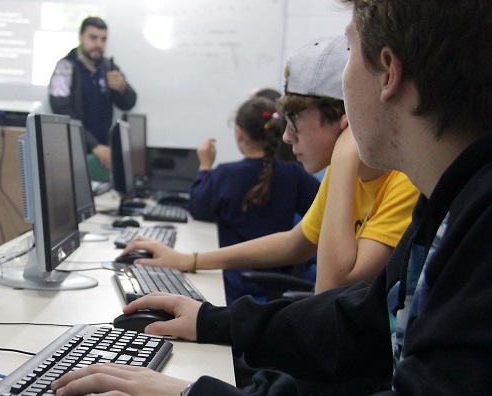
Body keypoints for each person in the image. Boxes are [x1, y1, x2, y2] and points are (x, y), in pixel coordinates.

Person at [52, 0, 492, 396]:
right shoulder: (448, 202)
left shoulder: (479, 227)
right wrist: (213, 321)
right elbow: (357, 322)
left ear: (389, 72)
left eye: (350, 54)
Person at [123, 35, 419, 294]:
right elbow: (294, 244)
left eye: (295, 122)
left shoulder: (405, 182)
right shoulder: (346, 173)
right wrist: (191, 260)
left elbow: (331, 291)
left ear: (344, 120)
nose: (287, 137)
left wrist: (342, 160)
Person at [189, 96, 320, 304]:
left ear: (240, 133)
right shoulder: (294, 175)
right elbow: (324, 211)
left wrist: (205, 166)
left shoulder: (225, 174)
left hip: (231, 284)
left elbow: (198, 208)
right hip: (277, 285)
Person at [48, 16, 137, 169]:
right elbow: (62, 113)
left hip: (103, 153)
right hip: (73, 151)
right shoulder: (64, 68)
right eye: (93, 38)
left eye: (103, 39)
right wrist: (94, 146)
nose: (98, 44)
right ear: (80, 37)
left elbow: (129, 103)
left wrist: (123, 88)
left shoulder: (108, 66)